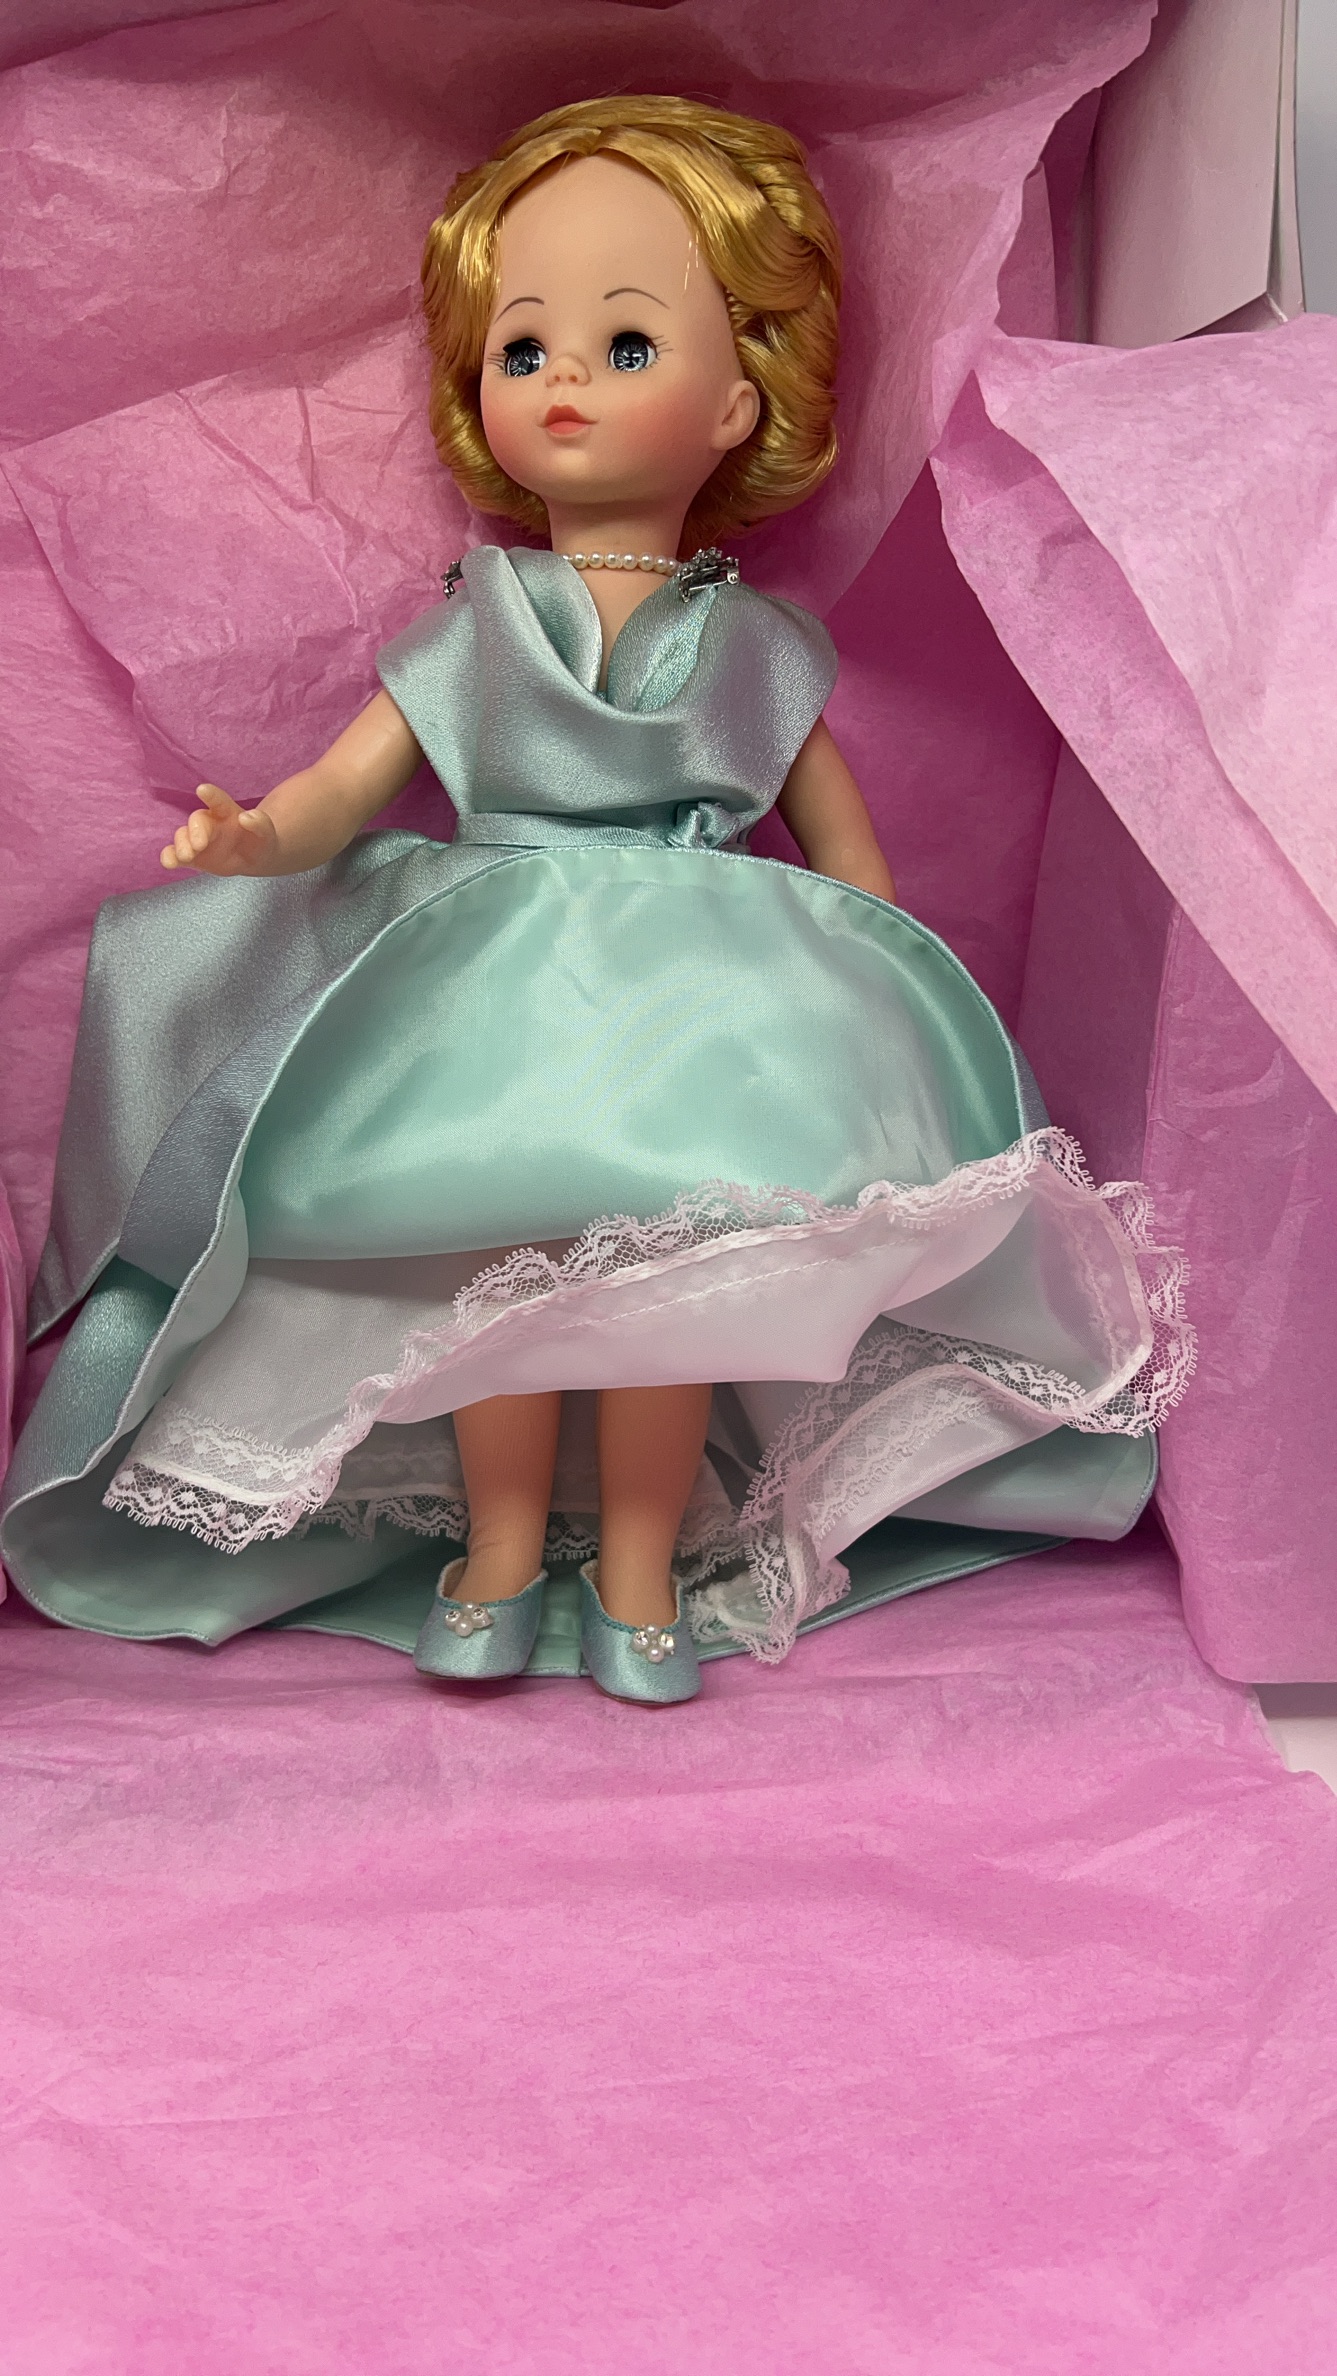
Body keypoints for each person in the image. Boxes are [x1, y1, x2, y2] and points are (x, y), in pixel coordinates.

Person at [0, 96, 1191, 1703]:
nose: (563, 379)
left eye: (627, 346)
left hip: (705, 1013)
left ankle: (638, 1573)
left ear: (736, 402)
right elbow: (342, 792)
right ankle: (496, 1557)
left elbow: (849, 870)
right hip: (484, 993)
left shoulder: (756, 648)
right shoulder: (473, 628)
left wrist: (880, 1012)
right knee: (493, 1292)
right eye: (523, 346)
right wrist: (256, 838)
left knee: (664, 1303)